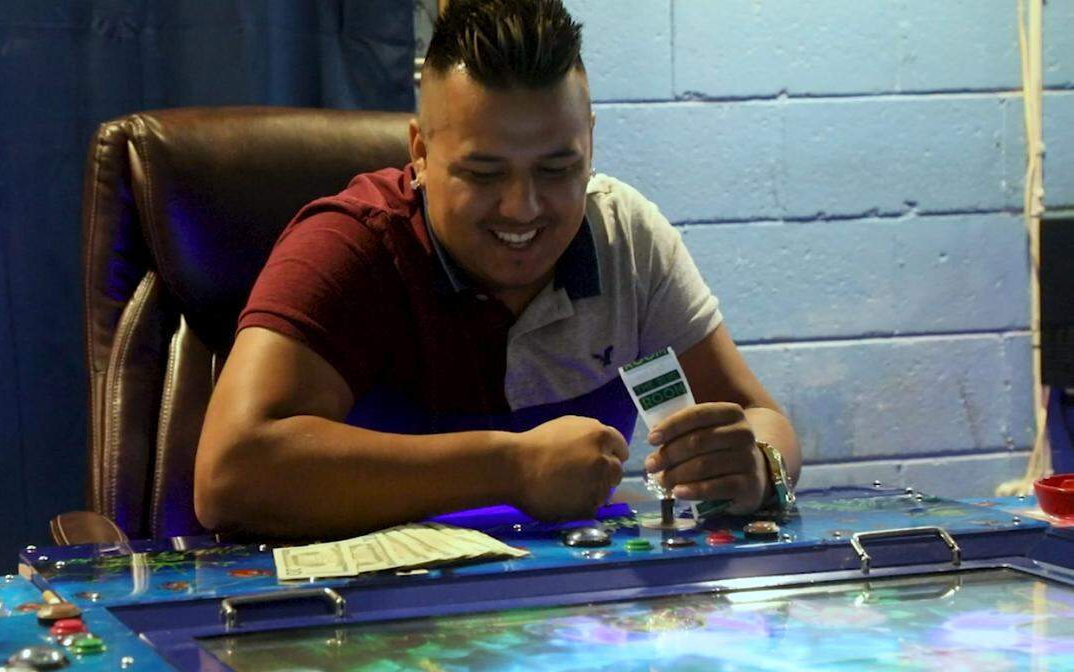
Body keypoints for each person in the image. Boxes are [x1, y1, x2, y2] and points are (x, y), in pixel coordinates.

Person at [194, 0, 800, 539]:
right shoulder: (349, 247)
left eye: (557, 169)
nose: (523, 208)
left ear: (590, 142)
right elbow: (230, 476)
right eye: (483, 174)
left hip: (578, 609)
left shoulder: (627, 238)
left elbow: (761, 417)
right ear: (420, 153)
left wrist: (756, 467)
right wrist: (511, 467)